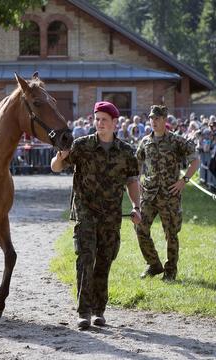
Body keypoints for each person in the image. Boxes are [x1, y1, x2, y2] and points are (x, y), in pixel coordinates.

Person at [50, 101, 141, 330]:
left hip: (111, 214)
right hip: (85, 210)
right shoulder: (81, 146)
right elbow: (56, 167)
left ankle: (99, 310)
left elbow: (132, 181)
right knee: (85, 257)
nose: (99, 124)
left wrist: (136, 207)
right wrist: (60, 156)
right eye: (97, 119)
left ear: (114, 123)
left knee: (104, 260)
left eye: (104, 120)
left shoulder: (126, 152)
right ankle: (84, 312)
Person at [134, 105, 200, 281]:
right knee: (140, 227)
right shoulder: (145, 141)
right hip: (148, 194)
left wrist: (184, 180)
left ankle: (170, 271)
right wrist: (138, 179)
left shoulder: (176, 141)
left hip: (169, 195)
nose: (153, 122)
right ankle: (154, 265)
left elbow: (195, 160)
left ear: (164, 120)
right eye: (151, 119)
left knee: (171, 233)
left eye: (157, 118)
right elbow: (137, 162)